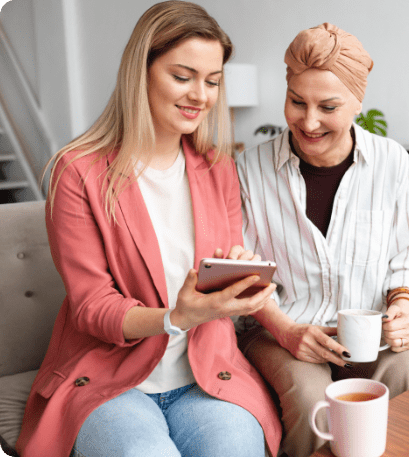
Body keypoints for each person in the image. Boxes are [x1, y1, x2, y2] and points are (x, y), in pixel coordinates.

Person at [15, 2, 282, 457]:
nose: (201, 94)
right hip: (110, 381)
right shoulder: (78, 172)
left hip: (207, 375)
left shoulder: (218, 167)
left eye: (213, 81)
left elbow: (228, 264)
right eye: (183, 76)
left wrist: (240, 277)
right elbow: (92, 308)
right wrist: (177, 317)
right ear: (141, 72)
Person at [236, 23, 409, 457]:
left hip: (369, 336)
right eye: (296, 102)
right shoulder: (250, 169)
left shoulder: (391, 163)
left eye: (328, 106)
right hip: (281, 333)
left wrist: (401, 310)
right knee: (315, 403)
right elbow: (244, 271)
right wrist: (287, 331)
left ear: (358, 103)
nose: (308, 122)